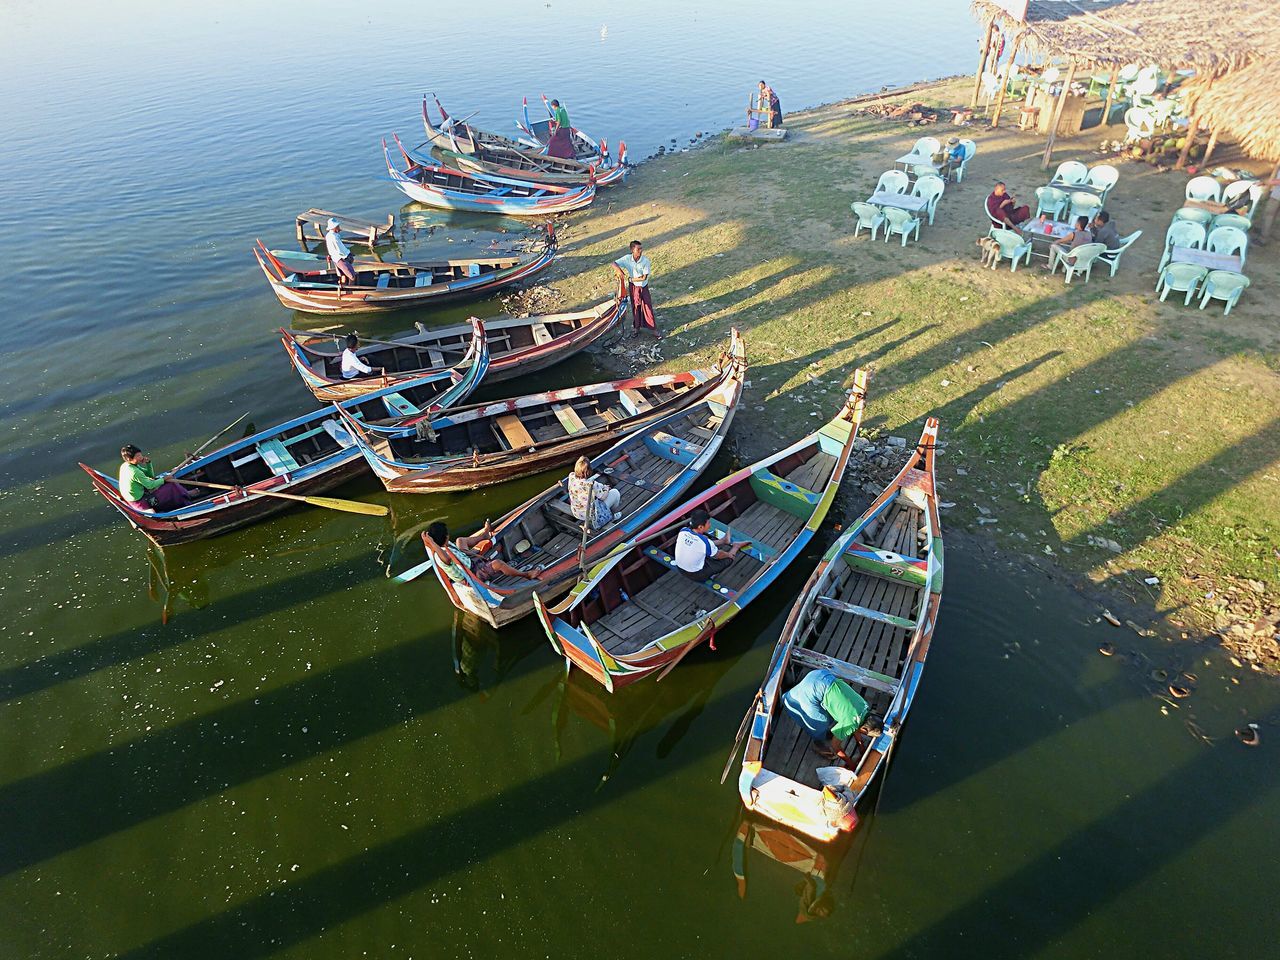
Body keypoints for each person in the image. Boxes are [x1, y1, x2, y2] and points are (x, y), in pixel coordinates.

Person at [781, 668, 884, 763]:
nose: (864, 735)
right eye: (866, 734)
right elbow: (835, 746)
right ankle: (818, 745)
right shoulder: (850, 723)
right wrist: (850, 763)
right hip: (812, 689)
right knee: (820, 724)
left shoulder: (864, 706)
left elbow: (857, 724)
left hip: (821, 675)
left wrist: (860, 745)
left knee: (832, 718)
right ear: (865, 730)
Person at [426, 520, 544, 583]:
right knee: (498, 563)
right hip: (472, 575)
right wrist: (431, 543)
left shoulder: (445, 545)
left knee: (460, 540)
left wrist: (476, 555)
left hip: (468, 563)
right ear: (445, 536)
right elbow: (447, 559)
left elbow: (461, 553)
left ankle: (484, 535)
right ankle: (526, 575)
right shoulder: (441, 555)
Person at [673, 507, 751, 582]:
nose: (710, 525)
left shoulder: (683, 531)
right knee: (729, 559)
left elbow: (700, 544)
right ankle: (736, 546)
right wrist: (730, 555)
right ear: (700, 527)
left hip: (680, 568)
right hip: (695, 574)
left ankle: (723, 541)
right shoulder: (704, 543)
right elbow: (719, 554)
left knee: (704, 541)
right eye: (708, 523)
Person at [118, 445, 195, 512]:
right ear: (129, 459)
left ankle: (184, 493)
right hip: (141, 501)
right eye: (137, 456)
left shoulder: (127, 465)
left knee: (165, 482)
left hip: (140, 493)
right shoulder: (134, 472)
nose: (141, 457)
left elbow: (150, 476)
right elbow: (150, 486)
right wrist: (163, 479)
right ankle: (185, 495)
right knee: (171, 486)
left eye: (140, 454)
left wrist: (148, 464)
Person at [612, 240, 660, 338]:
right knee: (635, 306)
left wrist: (630, 279)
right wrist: (619, 271)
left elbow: (644, 277)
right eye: (638, 249)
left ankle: (654, 329)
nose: (640, 251)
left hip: (643, 286)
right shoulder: (627, 259)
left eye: (641, 249)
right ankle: (636, 328)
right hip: (633, 287)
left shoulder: (645, 261)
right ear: (632, 250)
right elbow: (613, 263)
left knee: (648, 307)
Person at [567, 456, 621, 529]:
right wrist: (606, 489)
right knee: (615, 493)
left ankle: (607, 514)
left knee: (594, 499)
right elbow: (602, 497)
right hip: (591, 515)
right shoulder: (591, 484)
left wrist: (601, 487)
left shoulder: (571, 476)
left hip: (577, 512)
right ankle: (610, 516)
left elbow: (583, 482)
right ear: (589, 470)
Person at [324, 218, 357, 289]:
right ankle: (350, 291)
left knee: (342, 275)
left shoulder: (329, 235)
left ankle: (343, 288)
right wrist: (349, 253)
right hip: (340, 259)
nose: (339, 228)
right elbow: (340, 250)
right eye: (338, 227)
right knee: (352, 276)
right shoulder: (334, 238)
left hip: (335, 259)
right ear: (334, 228)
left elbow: (331, 248)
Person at [1254, 174, 1280, 246]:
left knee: (1268, 215)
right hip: (1276, 193)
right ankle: (1264, 230)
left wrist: (1264, 182)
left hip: (1277, 196)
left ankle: (1262, 239)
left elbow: (1278, 181)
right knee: (1271, 215)